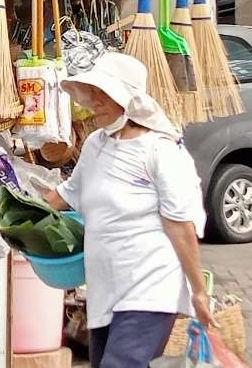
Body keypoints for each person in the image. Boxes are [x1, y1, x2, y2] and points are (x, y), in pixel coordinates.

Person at [42, 52, 214, 368]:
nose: (94, 100)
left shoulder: (161, 151)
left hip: (150, 289)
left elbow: (180, 225)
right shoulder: (96, 144)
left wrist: (198, 292)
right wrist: (11, 215)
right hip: (104, 289)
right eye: (92, 91)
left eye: (104, 93)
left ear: (129, 100)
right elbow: (65, 195)